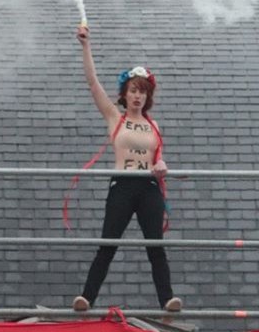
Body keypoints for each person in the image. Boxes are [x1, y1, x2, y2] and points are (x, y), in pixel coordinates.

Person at [71, 25, 180, 312]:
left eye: (142, 92)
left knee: (155, 245)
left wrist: (161, 165)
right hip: (122, 184)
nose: (137, 97)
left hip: (148, 186)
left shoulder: (154, 125)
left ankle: (167, 299)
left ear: (148, 96)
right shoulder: (114, 117)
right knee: (108, 243)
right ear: (125, 93)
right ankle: (87, 297)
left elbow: (159, 157)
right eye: (133, 91)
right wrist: (86, 46)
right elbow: (93, 83)